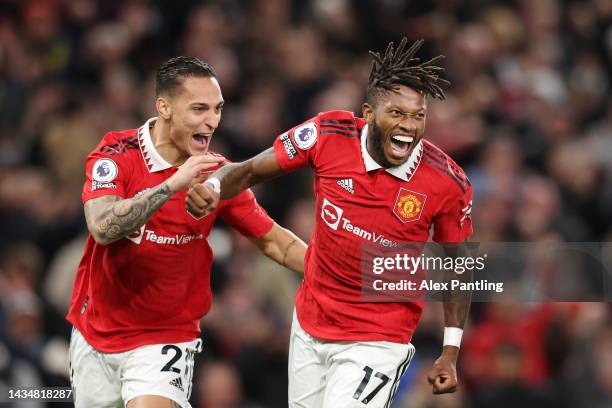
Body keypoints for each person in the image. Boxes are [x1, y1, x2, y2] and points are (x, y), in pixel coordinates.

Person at [187, 38, 474, 407]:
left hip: (378, 336)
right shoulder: (329, 135)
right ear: (369, 113)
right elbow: (250, 170)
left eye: (418, 116)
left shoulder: (447, 182)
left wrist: (451, 350)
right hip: (310, 324)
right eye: (397, 114)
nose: (409, 127)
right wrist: (212, 186)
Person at [66, 56, 307, 408]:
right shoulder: (116, 155)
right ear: (163, 107)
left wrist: (347, 275)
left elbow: (275, 241)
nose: (211, 121)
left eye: (218, 109)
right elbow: (102, 227)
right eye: (199, 109)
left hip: (165, 337)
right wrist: (173, 184)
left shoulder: (219, 174)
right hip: (95, 333)